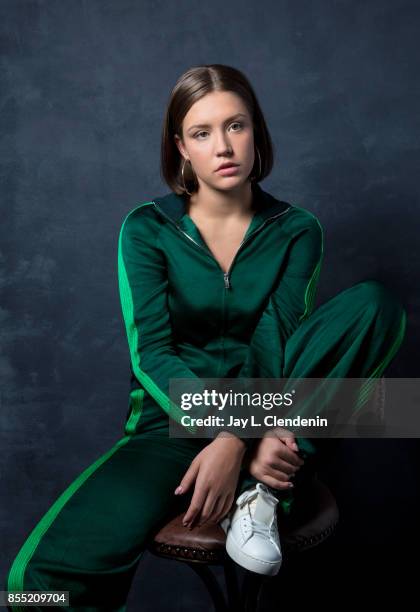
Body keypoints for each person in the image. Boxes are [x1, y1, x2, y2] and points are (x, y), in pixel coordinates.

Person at [5, 64, 407, 609]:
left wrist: (239, 437)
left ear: (257, 133)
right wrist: (226, 433)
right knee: (37, 585)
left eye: (236, 126)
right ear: (181, 148)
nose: (223, 146)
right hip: (168, 421)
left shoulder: (296, 229)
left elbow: (278, 335)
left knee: (375, 306)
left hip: (276, 405)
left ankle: (264, 486)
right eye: (202, 132)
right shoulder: (146, 228)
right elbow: (152, 352)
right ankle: (264, 463)